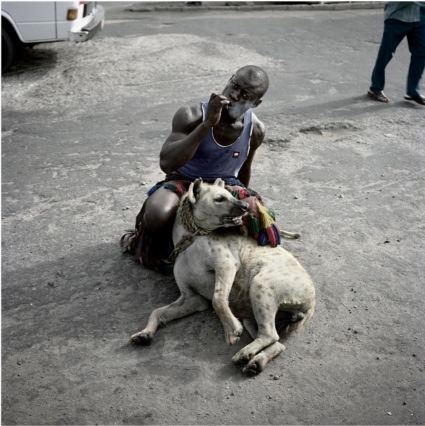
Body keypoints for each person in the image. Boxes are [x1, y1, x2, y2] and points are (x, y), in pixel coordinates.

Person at [122, 65, 281, 271]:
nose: (233, 95)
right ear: (229, 79)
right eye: (234, 86)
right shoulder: (191, 114)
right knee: (158, 213)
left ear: (255, 103)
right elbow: (167, 164)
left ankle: (231, 262)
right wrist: (207, 124)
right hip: (184, 180)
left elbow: (243, 170)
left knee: (257, 215)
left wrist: (238, 201)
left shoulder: (256, 129)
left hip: (225, 185)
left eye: (244, 95)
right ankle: (168, 253)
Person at [368, 1, 425, 105]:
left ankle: (412, 91)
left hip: (421, 16)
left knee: (422, 53)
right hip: (398, 16)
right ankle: (375, 88)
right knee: (386, 53)